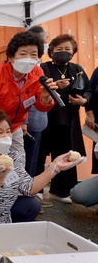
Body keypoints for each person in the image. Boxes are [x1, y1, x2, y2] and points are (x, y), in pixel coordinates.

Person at [0, 110, 84, 225]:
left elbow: (28, 187)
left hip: (5, 206)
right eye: (0, 132)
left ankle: (10, 231)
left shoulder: (13, 155)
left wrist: (54, 167)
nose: (6, 136)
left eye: (8, 131)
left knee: (32, 205)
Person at [0, 31, 57, 158]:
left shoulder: (37, 72)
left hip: (14, 128)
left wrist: (46, 96)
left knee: (18, 164)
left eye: (33, 55)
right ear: (10, 57)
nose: (28, 58)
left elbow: (41, 107)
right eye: (23, 54)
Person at [38, 34, 92, 203]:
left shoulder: (77, 68)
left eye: (67, 49)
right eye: (59, 49)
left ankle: (61, 191)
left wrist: (84, 100)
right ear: (51, 51)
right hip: (46, 118)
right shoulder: (43, 67)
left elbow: (89, 90)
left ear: (73, 51)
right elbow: (39, 86)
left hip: (69, 120)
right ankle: (36, 189)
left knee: (67, 154)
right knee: (39, 154)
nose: (63, 52)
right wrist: (54, 85)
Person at [23, 26, 51, 205]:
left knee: (34, 161)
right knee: (24, 162)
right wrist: (23, 121)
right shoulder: (25, 64)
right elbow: (21, 95)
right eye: (46, 40)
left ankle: (31, 194)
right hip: (25, 123)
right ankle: (24, 196)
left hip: (40, 120)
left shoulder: (41, 65)